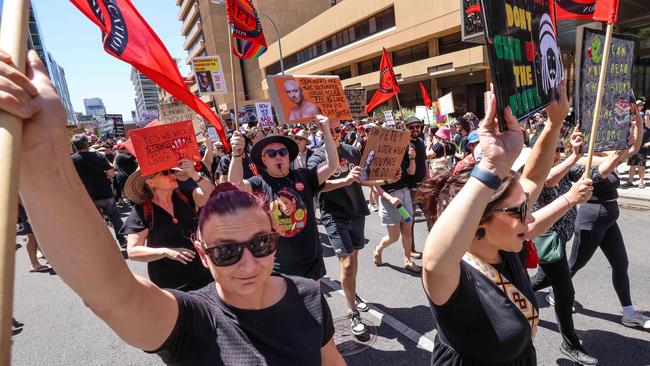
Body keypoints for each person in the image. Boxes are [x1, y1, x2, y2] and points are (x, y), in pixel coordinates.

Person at [4, 51, 346, 365]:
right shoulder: (194, 320)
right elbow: (111, 294)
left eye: (261, 244)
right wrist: (41, 160)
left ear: (274, 238)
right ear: (202, 250)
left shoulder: (309, 296)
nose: (248, 262)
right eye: (226, 251)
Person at [418, 81, 569, 365]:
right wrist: (490, 167)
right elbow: (433, 262)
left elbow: (534, 178)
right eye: (516, 212)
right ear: (479, 222)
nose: (529, 216)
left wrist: (554, 124)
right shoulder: (453, 275)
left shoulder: (508, 248)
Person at [565, 108, 649, 329]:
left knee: (621, 264)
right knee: (573, 265)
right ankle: (547, 292)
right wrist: (622, 148)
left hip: (609, 220)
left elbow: (635, 147)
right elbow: (612, 161)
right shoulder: (583, 159)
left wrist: (637, 119)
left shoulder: (606, 154)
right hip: (591, 218)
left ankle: (629, 312)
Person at [228, 115, 338, 280]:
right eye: (271, 154)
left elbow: (332, 165)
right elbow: (235, 186)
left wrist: (326, 132)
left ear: (288, 156)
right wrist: (236, 155)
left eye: (282, 152)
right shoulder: (260, 183)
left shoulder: (304, 176)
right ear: (264, 160)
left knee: (312, 303)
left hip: (310, 259)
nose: (278, 156)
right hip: (278, 264)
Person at [523, 130, 598, 365]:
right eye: (551, 151)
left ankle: (513, 293)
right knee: (565, 293)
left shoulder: (564, 168)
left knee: (540, 281)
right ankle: (570, 343)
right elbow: (549, 179)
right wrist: (572, 157)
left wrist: (622, 154)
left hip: (559, 239)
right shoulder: (535, 174)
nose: (555, 155)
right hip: (547, 240)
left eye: (557, 151)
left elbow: (596, 171)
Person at [308, 119, 388, 335]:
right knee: (347, 261)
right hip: (334, 215)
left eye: (337, 130)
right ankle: (353, 312)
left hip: (356, 212)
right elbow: (317, 186)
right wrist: (344, 181)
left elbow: (364, 178)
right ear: (321, 131)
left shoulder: (351, 150)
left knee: (353, 259)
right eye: (329, 130)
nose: (334, 133)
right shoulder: (316, 156)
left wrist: (386, 178)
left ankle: (351, 291)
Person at [121, 159, 215, 291]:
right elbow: (133, 251)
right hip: (171, 284)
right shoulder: (143, 211)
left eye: (172, 171)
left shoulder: (185, 196)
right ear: (149, 181)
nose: (172, 175)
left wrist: (194, 174)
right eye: (165, 173)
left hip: (204, 274)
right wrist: (166, 252)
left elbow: (210, 193)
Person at [71, 133, 126, 247]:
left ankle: (102, 243)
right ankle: (122, 240)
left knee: (95, 221)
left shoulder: (71, 160)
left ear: (75, 146)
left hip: (87, 195)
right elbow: (111, 173)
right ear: (87, 143)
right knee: (115, 217)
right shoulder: (98, 156)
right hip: (104, 192)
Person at [403, 117, 428, 257]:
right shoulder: (404, 145)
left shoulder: (420, 142)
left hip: (424, 186)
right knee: (409, 220)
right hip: (410, 188)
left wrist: (428, 178)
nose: (415, 129)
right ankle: (410, 249)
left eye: (417, 126)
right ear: (406, 129)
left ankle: (434, 246)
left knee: (431, 216)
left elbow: (424, 162)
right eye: (411, 127)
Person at [17, 204, 50, 273]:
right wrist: (29, 212)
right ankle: (34, 264)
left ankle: (43, 254)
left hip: (27, 208)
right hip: (25, 209)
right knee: (32, 236)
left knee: (37, 234)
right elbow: (20, 197)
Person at [623, 109, 650, 188]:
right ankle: (630, 181)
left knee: (641, 167)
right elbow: (628, 138)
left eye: (641, 118)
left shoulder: (647, 129)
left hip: (642, 150)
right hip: (633, 150)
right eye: (637, 118)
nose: (639, 119)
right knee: (632, 166)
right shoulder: (633, 128)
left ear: (643, 119)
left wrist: (648, 143)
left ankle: (641, 181)